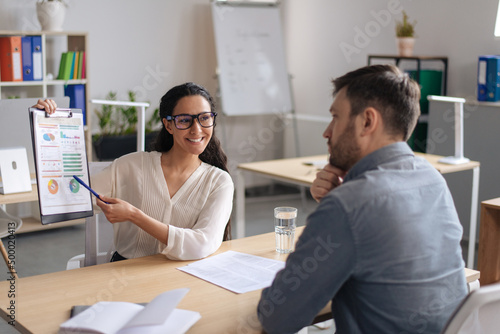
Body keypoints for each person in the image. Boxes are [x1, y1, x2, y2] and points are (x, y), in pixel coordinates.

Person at [257, 65, 467, 334]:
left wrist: (337, 208)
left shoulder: (349, 205)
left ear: (367, 121)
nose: (327, 132)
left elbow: (276, 317)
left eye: (335, 117)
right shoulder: (433, 179)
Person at [34, 82, 234, 261]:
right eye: (184, 120)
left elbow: (202, 244)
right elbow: (66, 194)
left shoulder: (219, 181)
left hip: (185, 278)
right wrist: (45, 127)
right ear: (168, 125)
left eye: (204, 118)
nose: (197, 129)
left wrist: (134, 216)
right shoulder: (131, 166)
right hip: (125, 275)